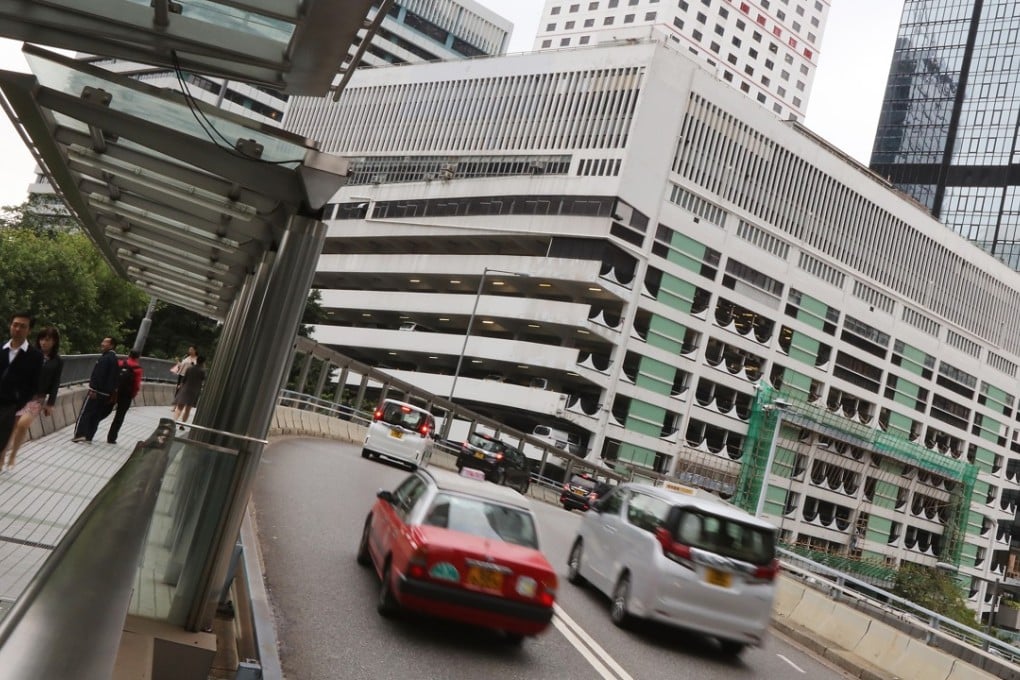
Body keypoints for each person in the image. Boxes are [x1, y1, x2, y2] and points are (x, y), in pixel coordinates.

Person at [1, 326, 63, 471]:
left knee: (23, 425)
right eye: (42, 339)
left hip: (37, 398)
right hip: (20, 396)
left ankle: (13, 454)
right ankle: (2, 456)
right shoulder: (30, 355)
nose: (44, 342)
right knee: (9, 428)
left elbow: (56, 382)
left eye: (48, 340)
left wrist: (51, 403)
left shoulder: (57, 361)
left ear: (54, 342)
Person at [0, 313, 44, 459]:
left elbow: (33, 385)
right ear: (10, 326)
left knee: (2, 439)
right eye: (15, 325)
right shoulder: (1, 349)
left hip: (10, 406)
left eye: (23, 326)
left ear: (29, 330)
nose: (18, 329)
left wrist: (19, 406)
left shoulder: (35, 356)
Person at [72, 336, 119, 443]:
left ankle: (80, 434)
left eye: (105, 342)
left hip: (96, 392)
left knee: (86, 412)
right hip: (106, 394)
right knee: (96, 415)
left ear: (112, 345)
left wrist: (93, 389)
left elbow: (98, 375)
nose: (102, 343)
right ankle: (89, 436)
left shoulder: (105, 359)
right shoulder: (115, 360)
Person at [105, 349, 143, 445]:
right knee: (120, 416)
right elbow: (136, 385)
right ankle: (111, 438)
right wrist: (132, 394)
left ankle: (90, 430)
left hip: (114, 392)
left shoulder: (120, 363)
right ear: (138, 357)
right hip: (126, 395)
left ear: (129, 354)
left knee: (104, 410)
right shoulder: (138, 369)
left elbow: (112, 375)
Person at [172, 354, 206, 428]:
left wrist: (180, 386)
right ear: (203, 362)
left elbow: (184, 379)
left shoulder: (189, 368)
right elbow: (203, 380)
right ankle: (182, 424)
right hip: (194, 391)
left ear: (197, 360)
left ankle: (174, 422)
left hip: (185, 389)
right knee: (188, 409)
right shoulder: (202, 371)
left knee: (179, 407)